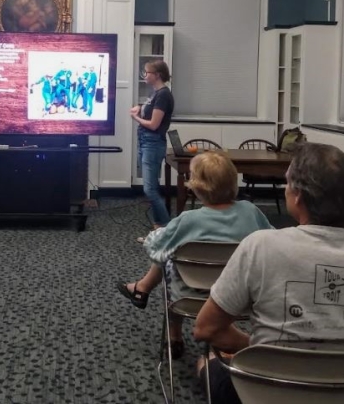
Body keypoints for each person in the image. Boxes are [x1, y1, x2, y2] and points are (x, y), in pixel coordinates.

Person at [194, 143, 344, 404]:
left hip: (266, 389)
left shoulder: (261, 246)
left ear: (298, 197)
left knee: (208, 362)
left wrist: (254, 349)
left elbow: (205, 329)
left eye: (287, 183)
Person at [117, 151, 273, 357]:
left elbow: (155, 248)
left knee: (169, 258)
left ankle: (174, 335)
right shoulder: (251, 211)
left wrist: (153, 235)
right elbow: (272, 242)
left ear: (196, 187)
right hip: (240, 297)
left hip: (189, 297)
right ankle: (142, 289)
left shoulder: (188, 220)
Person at [130, 60, 174, 237]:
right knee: (152, 187)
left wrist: (136, 118)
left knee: (149, 189)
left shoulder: (163, 95)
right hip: (147, 142)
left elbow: (154, 124)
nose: (145, 75)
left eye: (147, 72)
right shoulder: (156, 93)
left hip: (152, 142)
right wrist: (141, 108)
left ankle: (167, 231)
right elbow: (151, 112)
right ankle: (158, 229)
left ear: (157, 75)